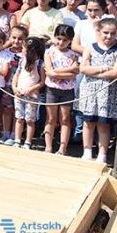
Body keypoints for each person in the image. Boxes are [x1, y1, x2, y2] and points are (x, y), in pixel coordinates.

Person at [76, 18, 117, 162]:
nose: (109, 36)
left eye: (112, 33)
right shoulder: (90, 47)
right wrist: (103, 69)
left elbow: (115, 72)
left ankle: (102, 154)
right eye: (106, 33)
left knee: (103, 124)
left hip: (108, 92)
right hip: (89, 90)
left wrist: (94, 73)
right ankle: (87, 151)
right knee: (88, 122)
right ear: (99, 31)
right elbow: (83, 68)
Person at [44, 25, 79, 156]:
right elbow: (49, 72)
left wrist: (56, 72)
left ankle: (63, 148)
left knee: (65, 118)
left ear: (70, 41)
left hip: (67, 90)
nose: (61, 42)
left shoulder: (73, 55)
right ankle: (48, 146)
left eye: (65, 40)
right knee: (51, 118)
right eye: (59, 39)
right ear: (54, 37)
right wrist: (68, 71)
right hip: (52, 90)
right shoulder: (49, 52)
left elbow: (74, 74)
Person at [10, 37, 46, 149]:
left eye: (24, 48)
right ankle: (17, 140)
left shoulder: (40, 64)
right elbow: (16, 75)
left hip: (32, 96)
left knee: (30, 120)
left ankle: (28, 141)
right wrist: (14, 87)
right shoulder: (22, 61)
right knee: (19, 118)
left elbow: (42, 82)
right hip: (19, 94)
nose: (22, 50)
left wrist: (31, 89)